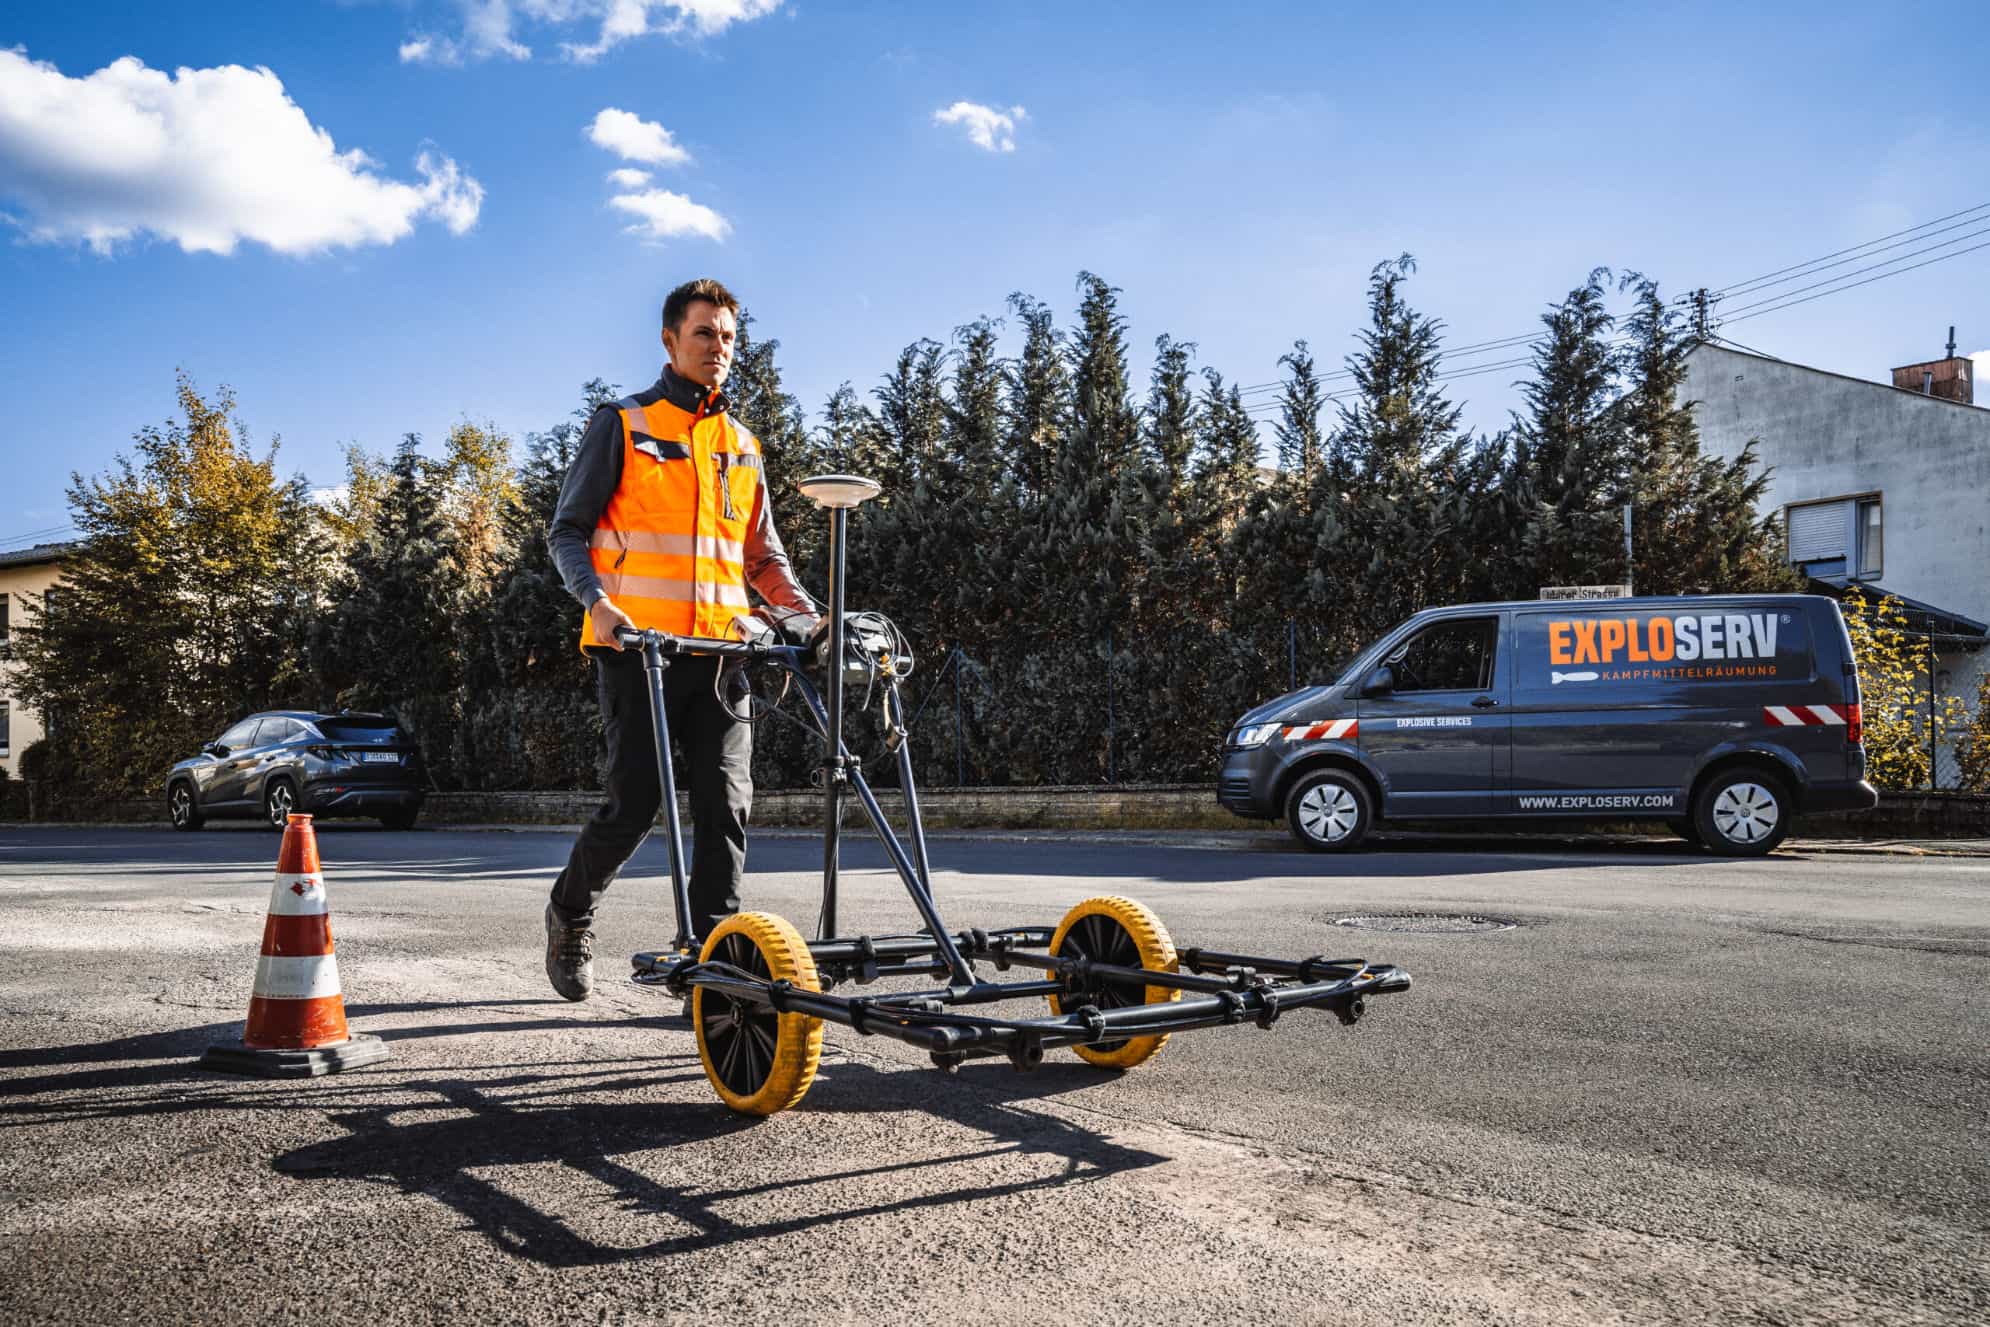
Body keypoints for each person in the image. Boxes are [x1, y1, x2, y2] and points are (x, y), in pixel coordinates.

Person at [542, 277, 818, 1000]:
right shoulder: (624, 423)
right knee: (634, 803)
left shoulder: (742, 445)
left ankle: (712, 962)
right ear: (670, 340)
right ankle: (570, 913)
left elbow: (763, 559)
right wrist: (598, 604)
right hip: (640, 653)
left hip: (724, 659)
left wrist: (809, 620)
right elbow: (567, 531)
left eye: (728, 336)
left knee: (725, 807)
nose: (718, 347)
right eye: (704, 333)